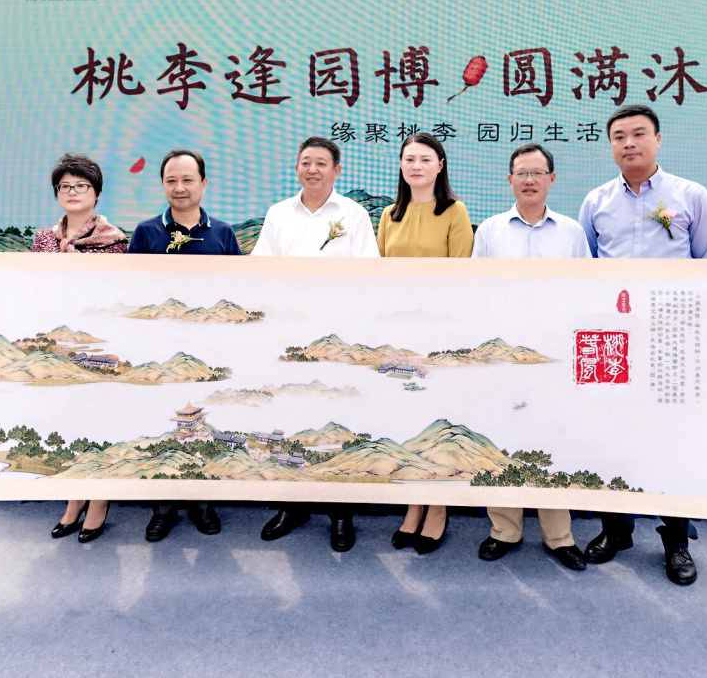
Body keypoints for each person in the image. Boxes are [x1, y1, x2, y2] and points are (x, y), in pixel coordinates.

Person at [577, 103, 707, 586]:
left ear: (658, 139)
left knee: (671, 436)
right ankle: (615, 530)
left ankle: (676, 540)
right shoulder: (595, 201)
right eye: (619, 136)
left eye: (639, 134)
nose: (629, 143)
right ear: (610, 146)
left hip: (670, 335)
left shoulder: (691, 196)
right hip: (611, 338)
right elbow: (585, 270)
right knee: (610, 433)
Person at [250, 136, 380, 552]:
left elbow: (368, 272)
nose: (313, 169)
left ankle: (341, 512)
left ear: (336, 170)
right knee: (290, 416)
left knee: (336, 420)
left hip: (335, 334)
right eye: (306, 162)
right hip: (288, 336)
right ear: (296, 169)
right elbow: (259, 269)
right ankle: (292, 506)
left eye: (321, 163)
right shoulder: (278, 213)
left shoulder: (353, 214)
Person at [472, 143, 591, 571]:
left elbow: (586, 291)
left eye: (537, 172)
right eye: (521, 173)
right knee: (503, 437)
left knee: (552, 439)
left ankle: (559, 536)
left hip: (553, 354)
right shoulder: (489, 231)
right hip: (505, 352)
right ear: (509, 180)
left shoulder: (572, 232)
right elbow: (474, 291)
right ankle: (504, 529)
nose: (529, 180)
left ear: (551, 179)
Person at [128, 149, 241, 542]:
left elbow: (237, 291)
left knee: (204, 424)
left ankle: (203, 502)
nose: (179, 187)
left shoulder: (222, 233)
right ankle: (162, 508)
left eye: (187, 179)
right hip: (160, 349)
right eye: (171, 180)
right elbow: (130, 290)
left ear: (203, 184)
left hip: (209, 351)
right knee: (160, 424)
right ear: (163, 185)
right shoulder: (146, 232)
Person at [377, 131, 473, 554]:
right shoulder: (389, 215)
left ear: (440, 165)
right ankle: (413, 504)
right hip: (397, 335)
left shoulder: (454, 211)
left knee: (437, 423)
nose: (416, 166)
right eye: (409, 159)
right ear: (401, 166)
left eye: (425, 159)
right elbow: (378, 275)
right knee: (406, 422)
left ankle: (438, 506)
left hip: (438, 335)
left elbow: (460, 277)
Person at [32, 153, 128, 543]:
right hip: (58, 341)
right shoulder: (43, 239)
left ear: (96, 192)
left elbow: (112, 296)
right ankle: (74, 499)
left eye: (81, 186)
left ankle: (100, 500)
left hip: (99, 342)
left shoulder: (115, 240)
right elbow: (33, 286)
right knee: (67, 421)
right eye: (65, 186)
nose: (72, 192)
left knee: (100, 421)